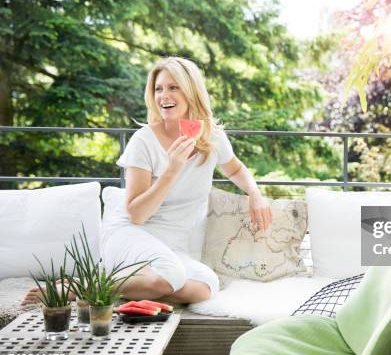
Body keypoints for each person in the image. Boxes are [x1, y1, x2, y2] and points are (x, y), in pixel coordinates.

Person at [23, 57, 272, 305]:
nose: (164, 96)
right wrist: (173, 169)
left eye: (173, 87)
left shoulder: (212, 137)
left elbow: (235, 168)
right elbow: (137, 215)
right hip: (132, 235)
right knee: (170, 275)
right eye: (158, 89)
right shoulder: (143, 141)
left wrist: (255, 194)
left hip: (171, 245)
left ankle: (124, 284)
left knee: (206, 286)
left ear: (191, 92)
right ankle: (83, 287)